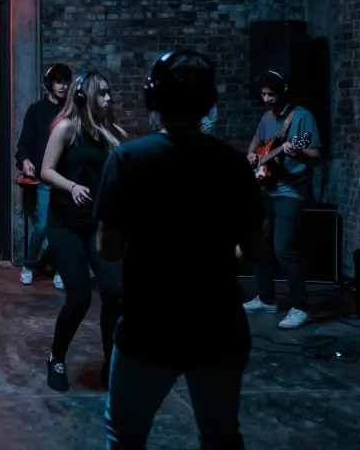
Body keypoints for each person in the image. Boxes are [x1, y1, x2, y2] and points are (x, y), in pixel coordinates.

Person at [97, 50, 268, 449]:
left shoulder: (127, 161)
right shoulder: (233, 164)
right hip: (219, 325)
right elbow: (256, 252)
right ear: (208, 103)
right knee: (221, 434)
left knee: (125, 433)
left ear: (152, 99)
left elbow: (108, 248)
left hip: (149, 326)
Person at [39, 70, 127, 392]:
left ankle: (112, 362)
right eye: (101, 93)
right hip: (64, 224)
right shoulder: (65, 128)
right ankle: (56, 357)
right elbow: (46, 170)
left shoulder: (109, 132)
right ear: (84, 96)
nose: (108, 99)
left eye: (108, 93)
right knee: (78, 298)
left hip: (96, 223)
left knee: (114, 294)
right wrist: (72, 185)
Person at [241, 70, 321, 330]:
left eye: (271, 94)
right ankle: (266, 298)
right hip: (267, 190)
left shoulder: (302, 117)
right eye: (263, 94)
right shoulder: (266, 117)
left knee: (283, 248)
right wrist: (252, 154)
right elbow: (257, 140)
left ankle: (301, 307)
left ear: (283, 91)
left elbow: (317, 155)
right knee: (258, 244)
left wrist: (296, 152)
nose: (267, 99)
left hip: (291, 192)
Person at [16, 62, 73, 287]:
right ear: (49, 83)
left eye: (66, 81)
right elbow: (24, 144)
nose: (63, 86)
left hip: (67, 179)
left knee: (65, 227)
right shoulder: (37, 110)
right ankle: (29, 265)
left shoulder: (71, 111)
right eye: (58, 81)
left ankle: (61, 269)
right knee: (42, 226)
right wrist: (26, 161)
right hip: (44, 179)